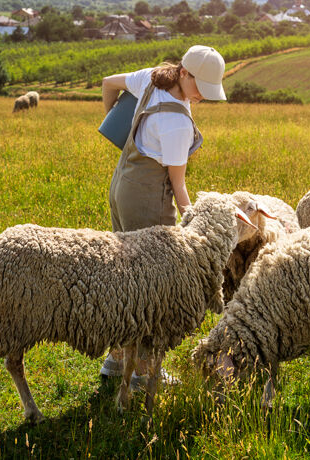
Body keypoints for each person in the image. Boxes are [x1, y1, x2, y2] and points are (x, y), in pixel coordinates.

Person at [99, 45, 227, 386]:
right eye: (200, 87)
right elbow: (178, 184)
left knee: (126, 276)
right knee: (151, 287)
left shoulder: (151, 79)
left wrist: (118, 126)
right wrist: (195, 228)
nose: (203, 96)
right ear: (184, 73)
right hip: (148, 199)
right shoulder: (176, 124)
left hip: (122, 185)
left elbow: (108, 83)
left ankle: (115, 359)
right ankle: (143, 372)